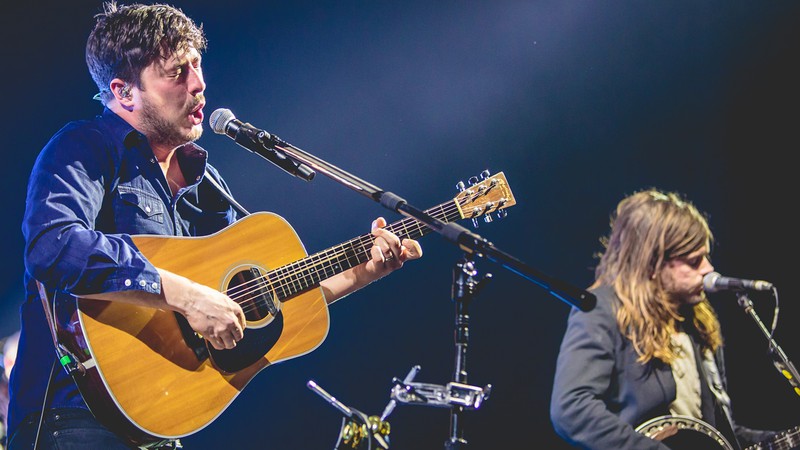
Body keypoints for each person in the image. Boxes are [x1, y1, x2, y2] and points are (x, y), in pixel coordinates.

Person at [7, 2, 422, 449]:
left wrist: (363, 271)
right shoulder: (83, 146)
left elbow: (266, 298)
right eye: (176, 72)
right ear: (125, 92)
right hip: (72, 419)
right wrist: (185, 295)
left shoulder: (207, 183)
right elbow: (54, 245)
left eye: (197, 66)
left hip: (161, 426)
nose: (200, 85)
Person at [549, 189, 777, 450]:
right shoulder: (601, 310)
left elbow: (718, 432)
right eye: (693, 261)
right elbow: (571, 409)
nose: (708, 269)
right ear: (652, 263)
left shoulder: (697, 321)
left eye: (706, 257)